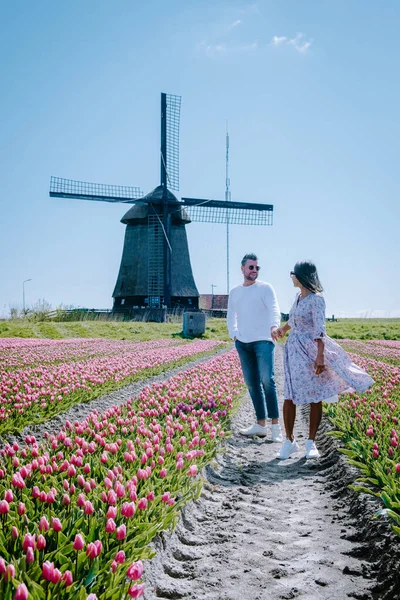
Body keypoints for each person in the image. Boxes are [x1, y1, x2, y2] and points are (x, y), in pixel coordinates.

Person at [276, 260, 374, 460]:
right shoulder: (297, 297)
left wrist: (320, 356)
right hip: (293, 350)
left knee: (314, 394)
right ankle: (289, 441)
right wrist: (282, 330)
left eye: (293, 273)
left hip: (310, 349)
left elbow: (320, 329)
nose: (290, 276)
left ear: (302, 276)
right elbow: (293, 321)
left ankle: (311, 443)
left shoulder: (316, 299)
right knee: (290, 394)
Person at [227, 253, 283, 442]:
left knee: (268, 380)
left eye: (257, 268)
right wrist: (234, 334)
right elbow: (231, 315)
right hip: (243, 342)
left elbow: (275, 308)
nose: (254, 271)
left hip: (263, 340)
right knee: (252, 383)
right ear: (242, 269)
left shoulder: (266, 288)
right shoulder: (235, 292)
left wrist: (274, 326)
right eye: (251, 267)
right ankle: (260, 425)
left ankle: (276, 427)